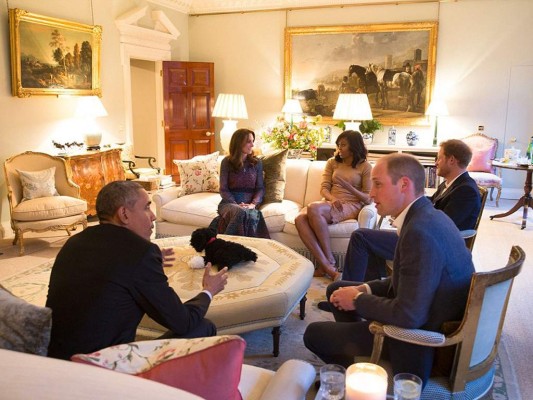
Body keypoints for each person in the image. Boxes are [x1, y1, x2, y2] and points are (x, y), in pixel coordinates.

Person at [304, 154, 474, 386]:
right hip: (429, 312)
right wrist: (363, 288)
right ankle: (358, 361)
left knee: (313, 333)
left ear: (404, 184)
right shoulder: (429, 216)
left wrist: (359, 300)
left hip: (417, 343)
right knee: (337, 288)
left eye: (378, 184)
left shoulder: (419, 232)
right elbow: (406, 279)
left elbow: (409, 315)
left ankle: (359, 374)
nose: (371, 194)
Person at [46, 181, 229, 360]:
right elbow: (182, 321)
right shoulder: (140, 254)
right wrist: (208, 290)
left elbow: (109, 269)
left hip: (56, 360)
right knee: (202, 327)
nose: (153, 216)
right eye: (146, 207)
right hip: (102, 367)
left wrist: (146, 263)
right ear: (124, 214)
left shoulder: (73, 243)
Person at [339, 139, 481, 283]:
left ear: (451, 160)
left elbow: (445, 226)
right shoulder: (449, 184)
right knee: (370, 239)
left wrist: (408, 220)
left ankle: (349, 291)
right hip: (422, 236)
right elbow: (429, 206)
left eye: (439, 158)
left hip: (426, 246)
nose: (436, 163)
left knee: (361, 237)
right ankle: (365, 290)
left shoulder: (466, 190)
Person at [295, 130, 372, 281]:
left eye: (343, 145)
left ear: (354, 146)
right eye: (338, 145)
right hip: (330, 202)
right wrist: (331, 199)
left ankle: (327, 263)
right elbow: (324, 188)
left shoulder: (365, 167)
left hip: (351, 205)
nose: (339, 148)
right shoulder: (332, 162)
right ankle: (328, 265)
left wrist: (348, 187)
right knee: (300, 219)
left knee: (313, 208)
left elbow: (368, 199)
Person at [210, 128, 270, 238]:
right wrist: (235, 204)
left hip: (249, 204)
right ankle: (225, 242)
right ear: (239, 143)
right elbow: (223, 189)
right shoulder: (226, 162)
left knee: (250, 216)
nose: (252, 145)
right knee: (240, 212)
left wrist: (253, 204)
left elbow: (260, 188)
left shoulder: (257, 163)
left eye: (253, 141)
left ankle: (243, 247)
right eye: (249, 141)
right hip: (229, 204)